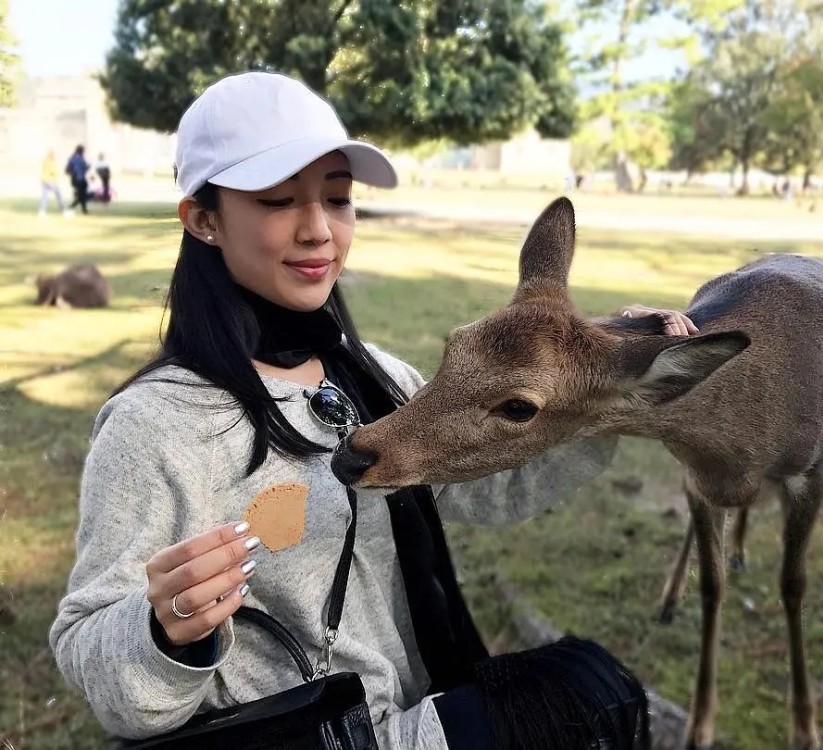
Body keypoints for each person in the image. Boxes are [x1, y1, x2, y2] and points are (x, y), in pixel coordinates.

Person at [49, 72, 694, 749]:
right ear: (204, 219)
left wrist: (598, 385)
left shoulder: (375, 376)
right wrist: (164, 632)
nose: (318, 231)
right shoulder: (158, 424)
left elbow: (486, 485)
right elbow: (90, 644)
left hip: (411, 713)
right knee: (588, 698)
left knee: (597, 696)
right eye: (278, 201)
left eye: (337, 198)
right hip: (305, 737)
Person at [38, 149, 68, 216]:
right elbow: (54, 171)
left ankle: (42, 211)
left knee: (44, 197)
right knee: (59, 196)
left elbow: (44, 170)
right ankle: (64, 210)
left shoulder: (45, 161)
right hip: (51, 181)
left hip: (44, 180)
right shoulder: (51, 161)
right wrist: (57, 174)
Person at [66, 144, 90, 214]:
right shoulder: (81, 159)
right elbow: (85, 168)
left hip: (74, 178)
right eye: (84, 151)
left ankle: (84, 210)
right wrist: (89, 166)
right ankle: (71, 207)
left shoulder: (71, 158)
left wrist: (72, 173)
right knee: (82, 195)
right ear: (81, 151)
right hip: (80, 179)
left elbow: (67, 170)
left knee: (81, 195)